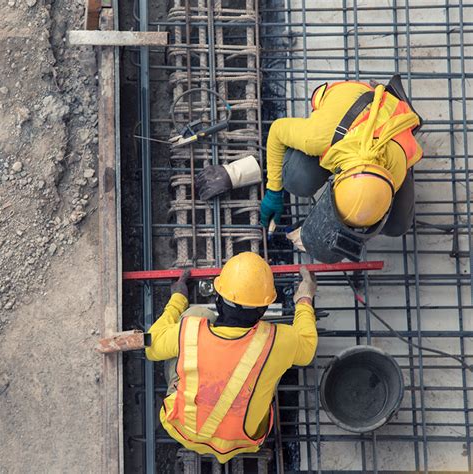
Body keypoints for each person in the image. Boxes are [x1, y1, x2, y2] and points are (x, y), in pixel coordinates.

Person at [145, 252, 317, 463]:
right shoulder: (278, 340)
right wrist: (304, 299)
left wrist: (178, 299)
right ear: (263, 310)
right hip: (244, 441)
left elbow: (151, 347)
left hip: (183, 429)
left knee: (196, 314)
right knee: (272, 363)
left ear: (218, 300)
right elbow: (308, 348)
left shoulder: (190, 331)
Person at [259, 75, 424, 261]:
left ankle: (398, 103)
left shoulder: (397, 166)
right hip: (348, 104)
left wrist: (324, 233)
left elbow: (364, 207)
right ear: (337, 180)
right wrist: (274, 190)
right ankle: (386, 93)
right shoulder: (318, 136)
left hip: (392, 125)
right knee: (296, 180)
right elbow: (276, 131)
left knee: (397, 225)